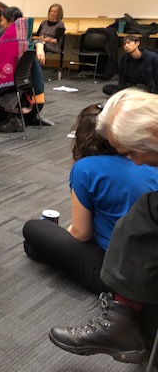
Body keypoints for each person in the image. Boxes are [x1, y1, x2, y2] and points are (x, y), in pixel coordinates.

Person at [49, 89, 158, 365]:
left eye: (133, 152)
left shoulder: (85, 169)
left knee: (144, 212)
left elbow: (81, 232)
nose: (136, 161)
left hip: (107, 260)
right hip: (125, 266)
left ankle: (119, 320)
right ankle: (122, 318)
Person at [22, 104, 158, 293]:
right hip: (151, 264)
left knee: (33, 229)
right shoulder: (147, 161)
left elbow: (82, 233)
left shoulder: (85, 168)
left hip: (116, 273)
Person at [0, 6, 47, 131]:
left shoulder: (11, 43)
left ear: (11, 20)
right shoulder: (23, 41)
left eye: (3, 20)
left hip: (29, 104)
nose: (1, 23)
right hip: (34, 99)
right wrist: (40, 46)